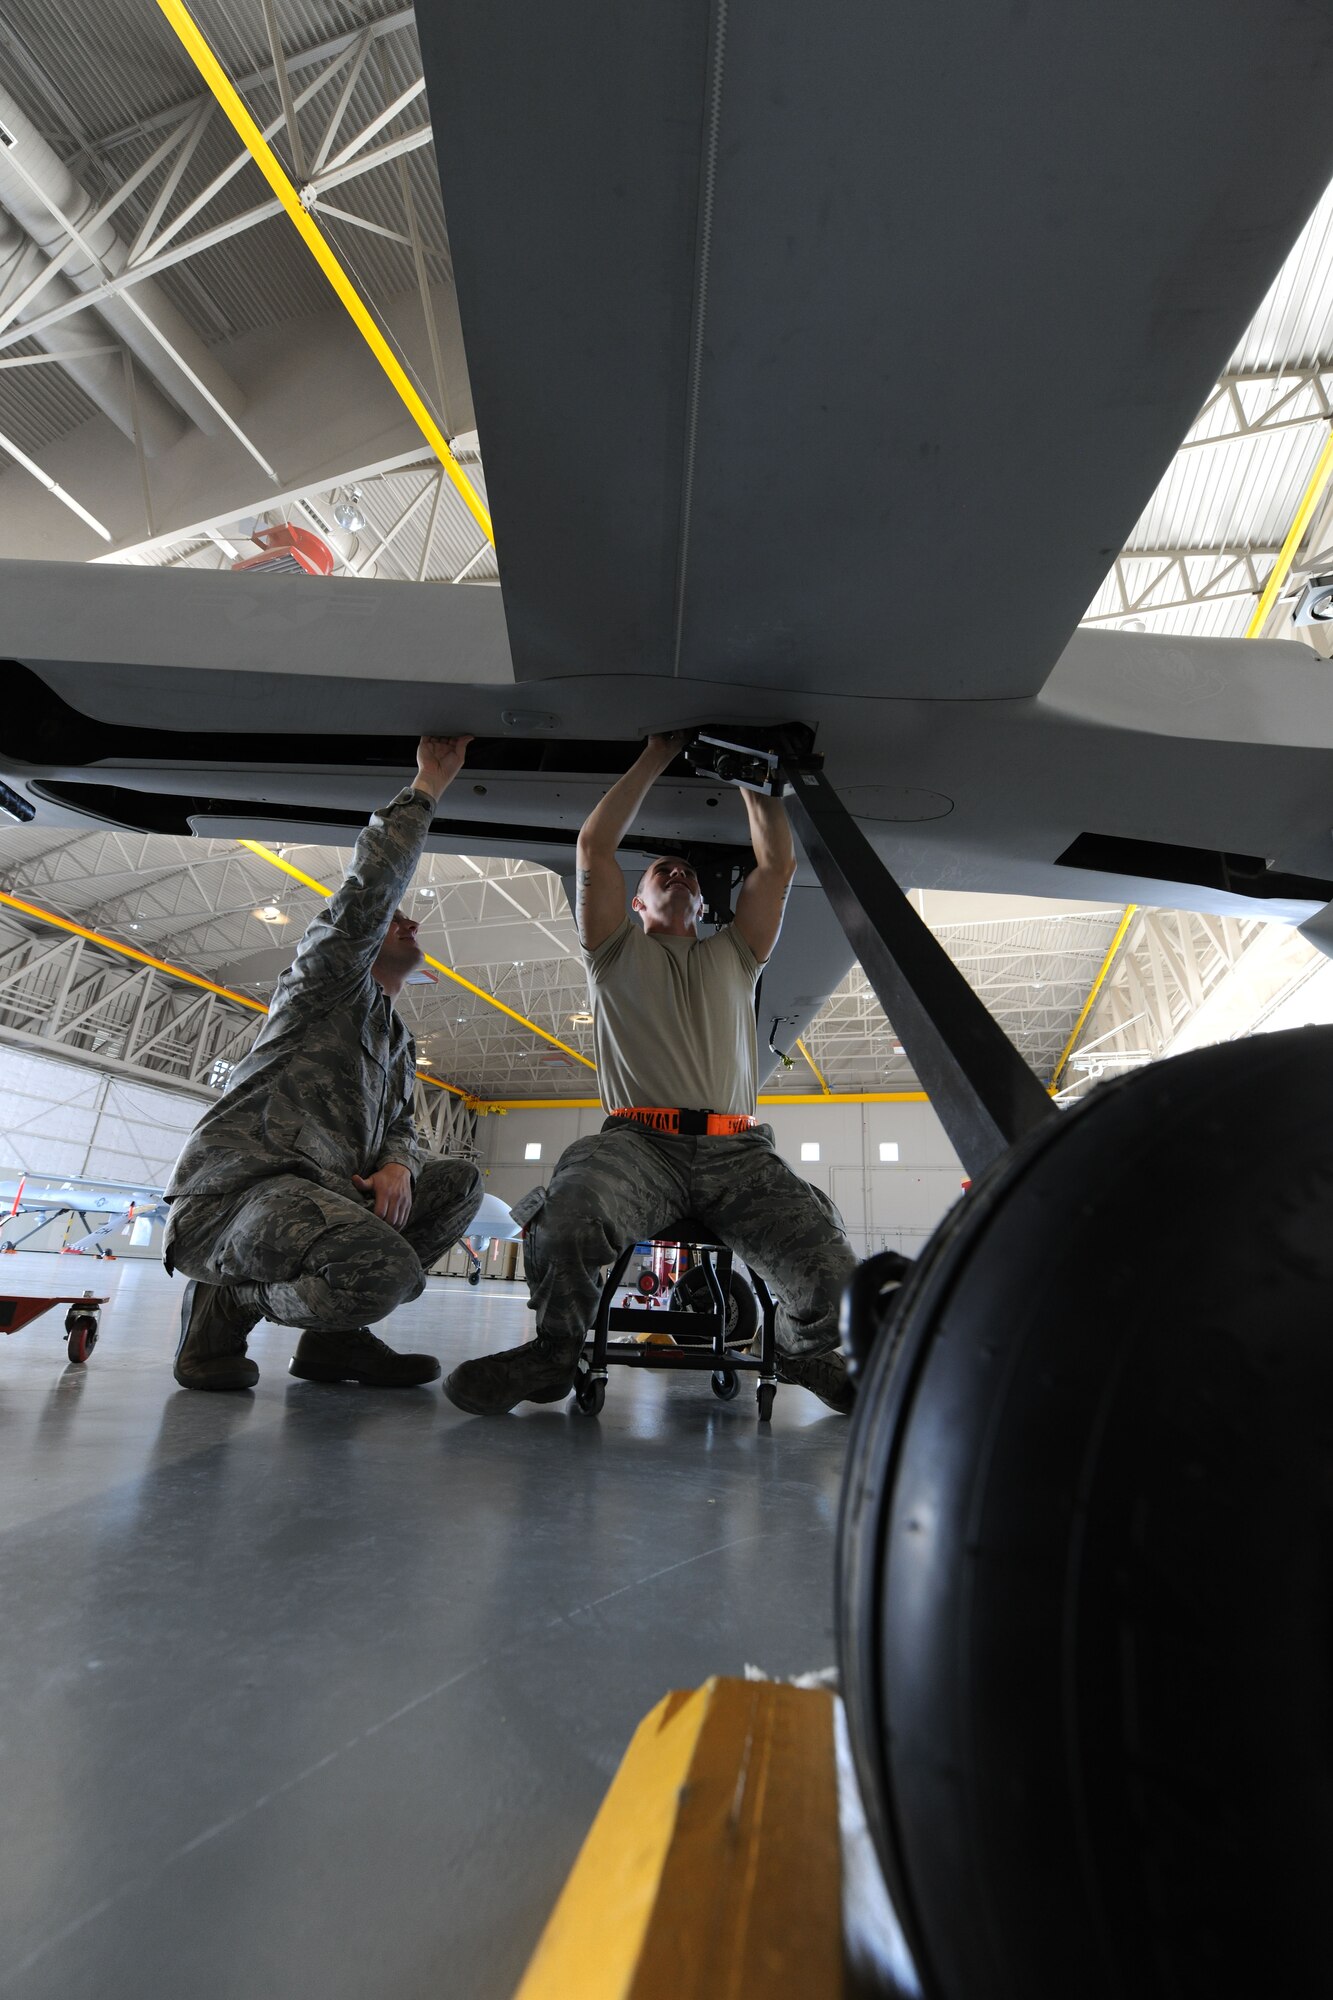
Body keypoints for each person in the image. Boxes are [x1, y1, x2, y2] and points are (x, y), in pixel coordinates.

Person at [444, 731, 858, 1417]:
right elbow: (593, 848)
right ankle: (553, 1353)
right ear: (633, 905)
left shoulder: (738, 952)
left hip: (737, 1152)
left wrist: (755, 779)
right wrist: (658, 752)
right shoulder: (611, 951)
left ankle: (797, 1350)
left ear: (704, 908)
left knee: (833, 1275)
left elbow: (775, 867)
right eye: (659, 872)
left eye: (688, 876)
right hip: (638, 1146)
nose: (677, 874)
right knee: (568, 1216)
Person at [165, 735, 483, 1391]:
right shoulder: (324, 982)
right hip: (243, 1195)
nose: (408, 925)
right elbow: (370, 889)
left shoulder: (395, 1043)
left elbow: (400, 1124)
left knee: (456, 1184)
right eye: (391, 922)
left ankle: (332, 1344)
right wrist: (427, 787)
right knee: (388, 1276)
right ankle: (230, 1300)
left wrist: (399, 1162)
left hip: (324, 1197)